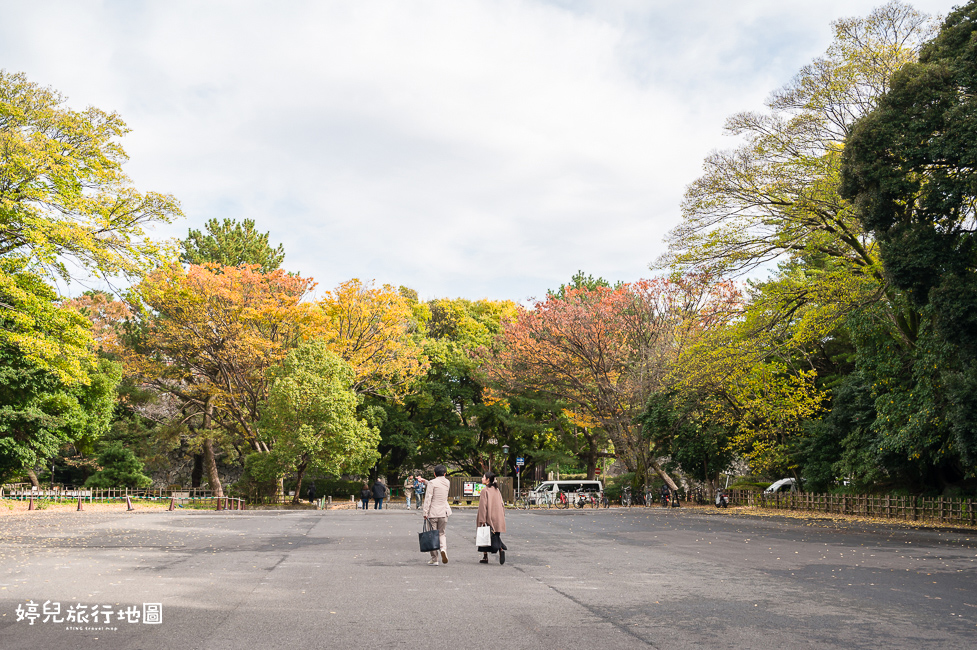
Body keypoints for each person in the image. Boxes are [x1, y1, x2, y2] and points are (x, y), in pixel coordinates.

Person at [421, 465, 451, 565]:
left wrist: (425, 512)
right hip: (444, 512)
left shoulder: (432, 483)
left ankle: (435, 559)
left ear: (434, 474)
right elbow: (436, 484)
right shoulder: (447, 482)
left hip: (433, 513)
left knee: (432, 535)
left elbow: (428, 498)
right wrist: (425, 481)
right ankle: (443, 549)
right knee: (442, 533)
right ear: (445, 474)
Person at [476, 471, 507, 565]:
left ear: (488, 479)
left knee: (485, 535)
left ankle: (486, 556)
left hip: (488, 516)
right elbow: (502, 503)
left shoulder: (485, 491)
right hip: (498, 516)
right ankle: (501, 548)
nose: (482, 479)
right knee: (495, 535)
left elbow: (483, 506)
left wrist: (482, 519)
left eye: (483, 477)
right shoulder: (497, 490)